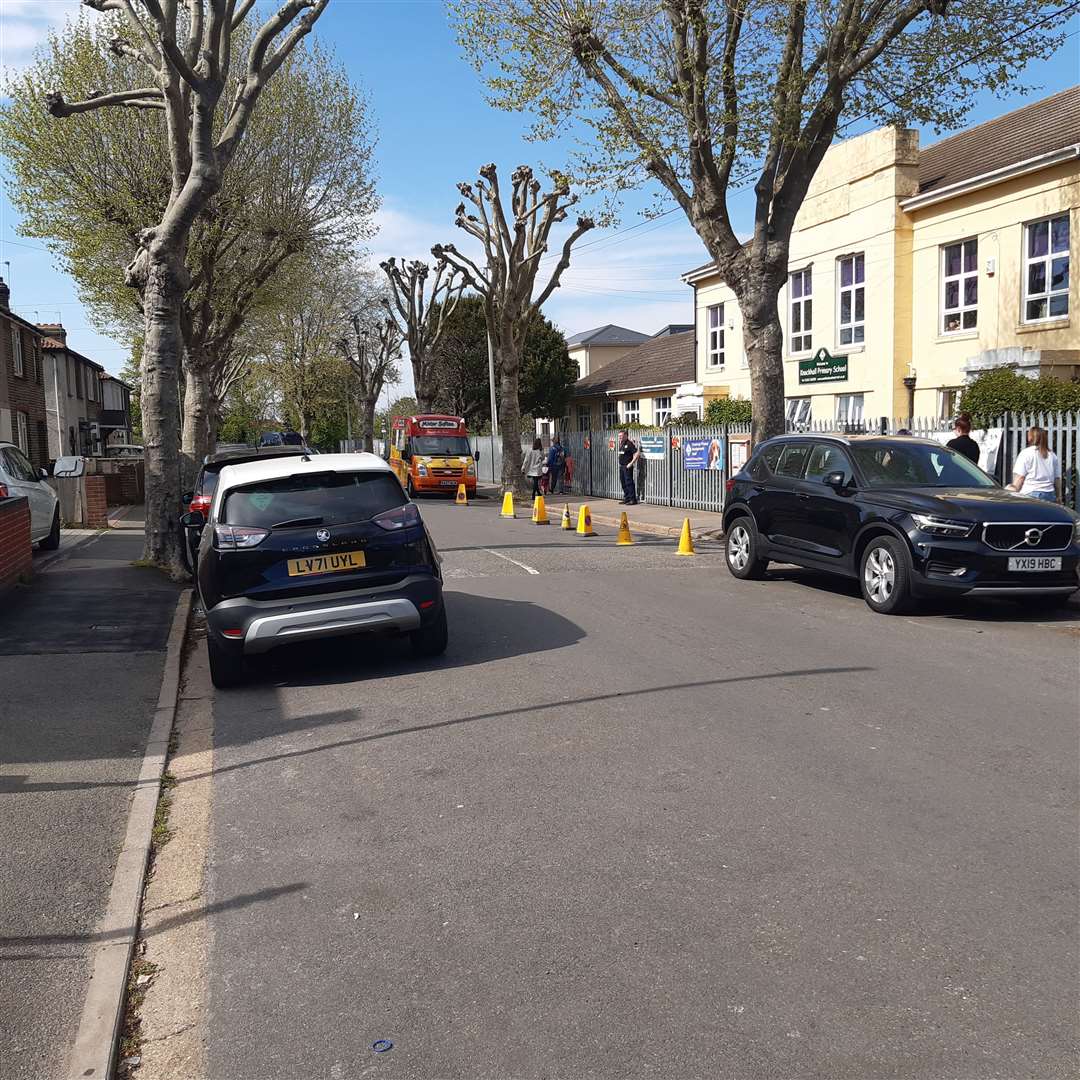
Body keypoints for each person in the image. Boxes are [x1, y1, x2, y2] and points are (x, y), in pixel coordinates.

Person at [1008, 425, 1061, 502]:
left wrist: (1012, 491)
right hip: (1050, 494)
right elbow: (1057, 479)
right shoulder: (1052, 455)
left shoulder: (1026, 453)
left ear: (1030, 438)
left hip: (1031, 494)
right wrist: (1058, 496)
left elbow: (1020, 478)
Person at [617, 430, 639, 505]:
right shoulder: (621, 443)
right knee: (623, 483)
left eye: (621, 436)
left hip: (627, 466)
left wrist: (631, 463)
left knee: (629, 483)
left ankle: (633, 499)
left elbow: (636, 453)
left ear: (626, 435)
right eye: (619, 436)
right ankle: (627, 498)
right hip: (621, 466)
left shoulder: (629, 444)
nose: (619, 437)